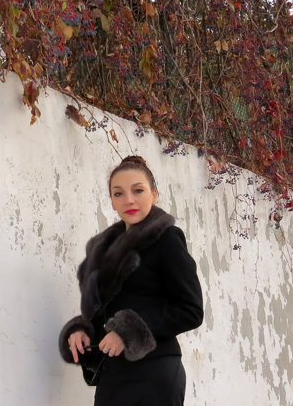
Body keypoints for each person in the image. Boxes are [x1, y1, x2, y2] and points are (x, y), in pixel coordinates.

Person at [59, 155, 204, 406]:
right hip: (113, 375)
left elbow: (190, 310)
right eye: (119, 193)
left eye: (138, 190)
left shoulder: (167, 239)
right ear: (112, 201)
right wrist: (83, 330)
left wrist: (128, 332)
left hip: (155, 372)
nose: (129, 200)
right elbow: (106, 312)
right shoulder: (107, 253)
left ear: (154, 195)